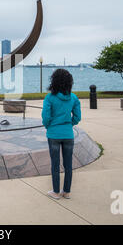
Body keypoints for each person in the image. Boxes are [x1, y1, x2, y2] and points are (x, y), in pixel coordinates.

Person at [41, 69, 81, 200]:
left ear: (54, 81)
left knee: (55, 164)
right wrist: (69, 125)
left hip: (53, 134)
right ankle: (67, 192)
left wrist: (49, 126)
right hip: (68, 134)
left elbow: (46, 117)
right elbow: (77, 117)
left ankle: (56, 192)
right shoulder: (74, 98)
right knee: (68, 164)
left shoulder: (50, 98)